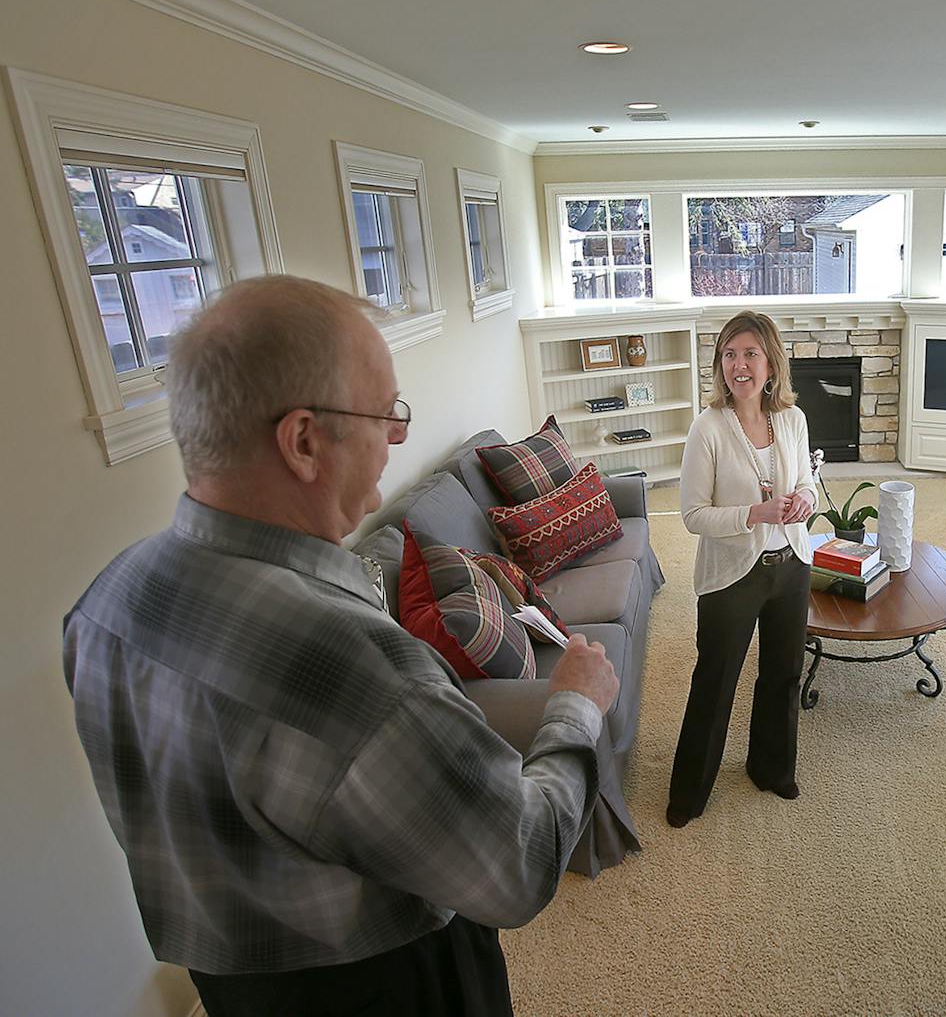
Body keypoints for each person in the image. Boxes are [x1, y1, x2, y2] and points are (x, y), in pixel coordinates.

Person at [62, 275, 619, 1017]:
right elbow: (517, 868)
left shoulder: (102, 605)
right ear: (302, 441)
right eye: (384, 412)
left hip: (228, 987)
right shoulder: (361, 671)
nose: (397, 436)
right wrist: (575, 705)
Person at [667, 310, 816, 828]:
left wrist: (802, 502)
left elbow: (809, 488)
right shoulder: (706, 430)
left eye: (750, 353)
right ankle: (689, 793)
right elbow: (691, 515)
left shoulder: (792, 421)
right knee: (715, 679)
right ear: (719, 366)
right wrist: (753, 514)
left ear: (771, 363)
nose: (739, 365)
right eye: (729, 354)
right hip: (732, 573)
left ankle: (772, 768)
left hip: (792, 564)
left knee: (783, 674)